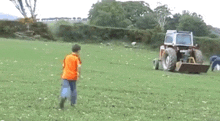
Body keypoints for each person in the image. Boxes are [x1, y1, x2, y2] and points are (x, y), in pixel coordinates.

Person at [60, 44, 82, 109]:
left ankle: (64, 96)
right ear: (78, 51)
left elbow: (63, 65)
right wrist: (78, 75)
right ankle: (73, 103)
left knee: (65, 87)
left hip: (65, 75)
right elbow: (79, 67)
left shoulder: (67, 56)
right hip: (73, 76)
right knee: (73, 89)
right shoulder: (76, 58)